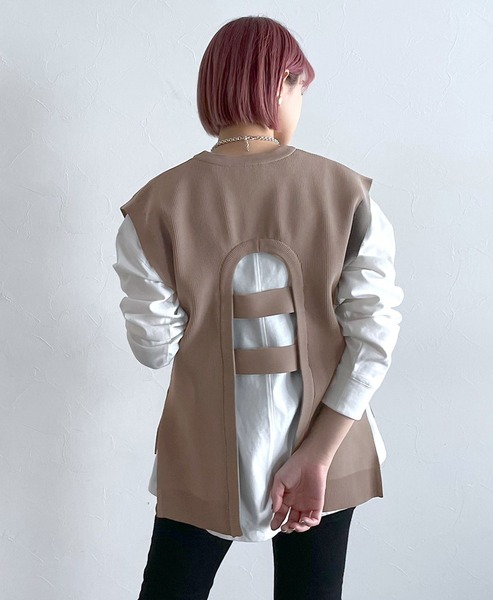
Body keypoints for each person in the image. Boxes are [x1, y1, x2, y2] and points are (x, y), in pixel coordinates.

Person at [113, 15, 404, 600]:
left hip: (205, 454)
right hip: (328, 449)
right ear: (281, 83)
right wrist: (315, 456)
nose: (300, 105)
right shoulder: (348, 195)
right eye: (300, 89)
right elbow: (373, 340)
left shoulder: (153, 208)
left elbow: (153, 349)